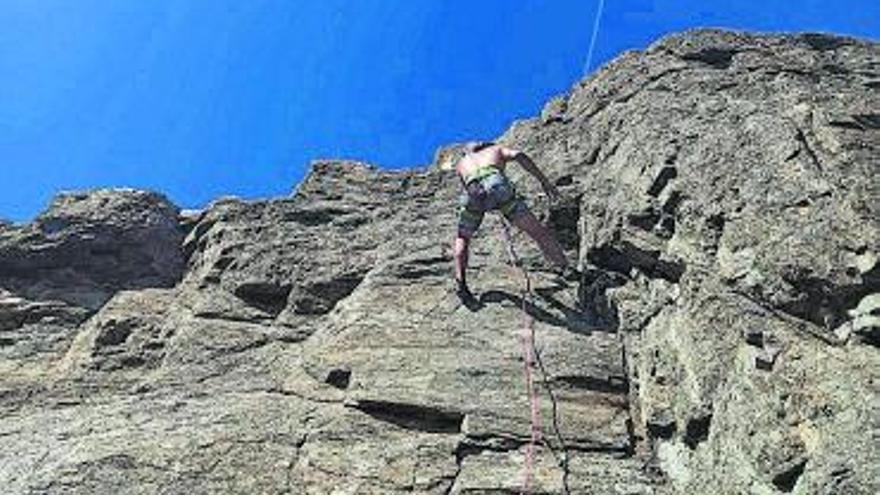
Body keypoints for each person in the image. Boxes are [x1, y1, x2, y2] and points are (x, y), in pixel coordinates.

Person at [453, 141, 575, 304]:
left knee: (463, 237)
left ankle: (460, 281)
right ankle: (566, 269)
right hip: (497, 183)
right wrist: (543, 181)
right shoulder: (494, 150)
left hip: (473, 190)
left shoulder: (462, 163)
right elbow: (519, 155)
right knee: (537, 232)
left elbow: (468, 190)